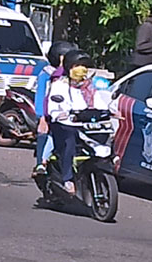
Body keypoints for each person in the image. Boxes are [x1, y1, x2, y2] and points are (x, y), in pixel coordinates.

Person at [47, 49, 98, 195]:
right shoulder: (60, 85)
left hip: (84, 124)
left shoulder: (90, 86)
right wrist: (58, 113)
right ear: (69, 67)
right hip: (65, 125)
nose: (81, 69)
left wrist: (111, 111)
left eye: (83, 65)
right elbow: (54, 103)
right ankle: (67, 179)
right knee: (69, 142)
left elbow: (99, 101)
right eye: (77, 65)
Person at [32, 41, 78, 177]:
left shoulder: (73, 73)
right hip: (50, 112)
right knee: (45, 133)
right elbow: (40, 96)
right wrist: (41, 118)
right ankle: (41, 163)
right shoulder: (47, 74)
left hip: (68, 112)